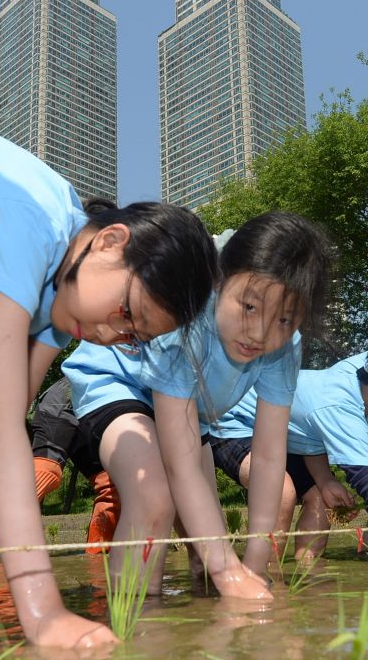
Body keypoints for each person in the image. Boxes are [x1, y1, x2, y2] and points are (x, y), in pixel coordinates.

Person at [0, 126, 217, 650]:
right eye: (127, 313)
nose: (108, 334)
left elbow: (0, 430)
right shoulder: (32, 220)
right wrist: (42, 612)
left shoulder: (59, 307)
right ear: (111, 240)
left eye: (131, 337)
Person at [63, 211, 330, 598]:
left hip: (188, 414)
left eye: (284, 319)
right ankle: (139, 629)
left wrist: (253, 564)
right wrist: (229, 572)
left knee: (206, 549)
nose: (259, 333)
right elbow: (180, 465)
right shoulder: (186, 315)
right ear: (220, 281)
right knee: (155, 497)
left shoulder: (284, 349)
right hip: (121, 384)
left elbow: (270, 457)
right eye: (249, 307)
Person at [211, 334, 368, 564]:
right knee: (281, 491)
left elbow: (308, 432)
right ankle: (263, 577)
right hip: (232, 424)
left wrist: (325, 479)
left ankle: (306, 570)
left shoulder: (363, 389)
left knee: (319, 498)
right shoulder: (342, 407)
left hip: (282, 434)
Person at [0, 377, 119, 561]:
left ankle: (97, 562)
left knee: (111, 485)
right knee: (45, 472)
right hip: (64, 402)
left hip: (100, 412)